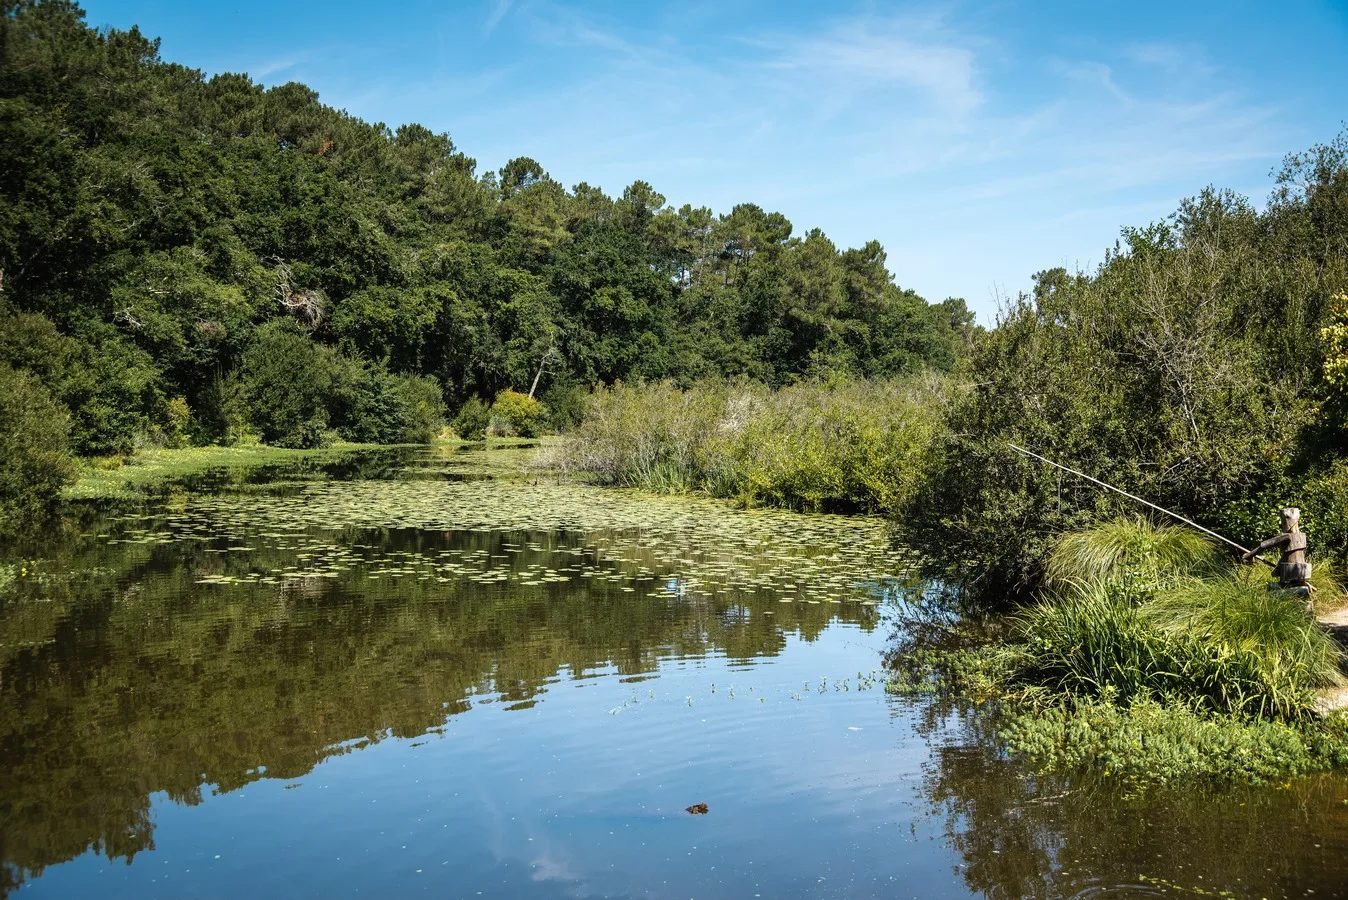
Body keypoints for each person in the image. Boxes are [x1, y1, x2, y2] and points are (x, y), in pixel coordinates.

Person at [1243, 507, 1314, 606]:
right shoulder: (1302, 536)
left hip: (1290, 573)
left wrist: (1250, 554)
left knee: (1271, 588)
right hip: (1301, 571)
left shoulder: (1287, 536)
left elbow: (1265, 544)